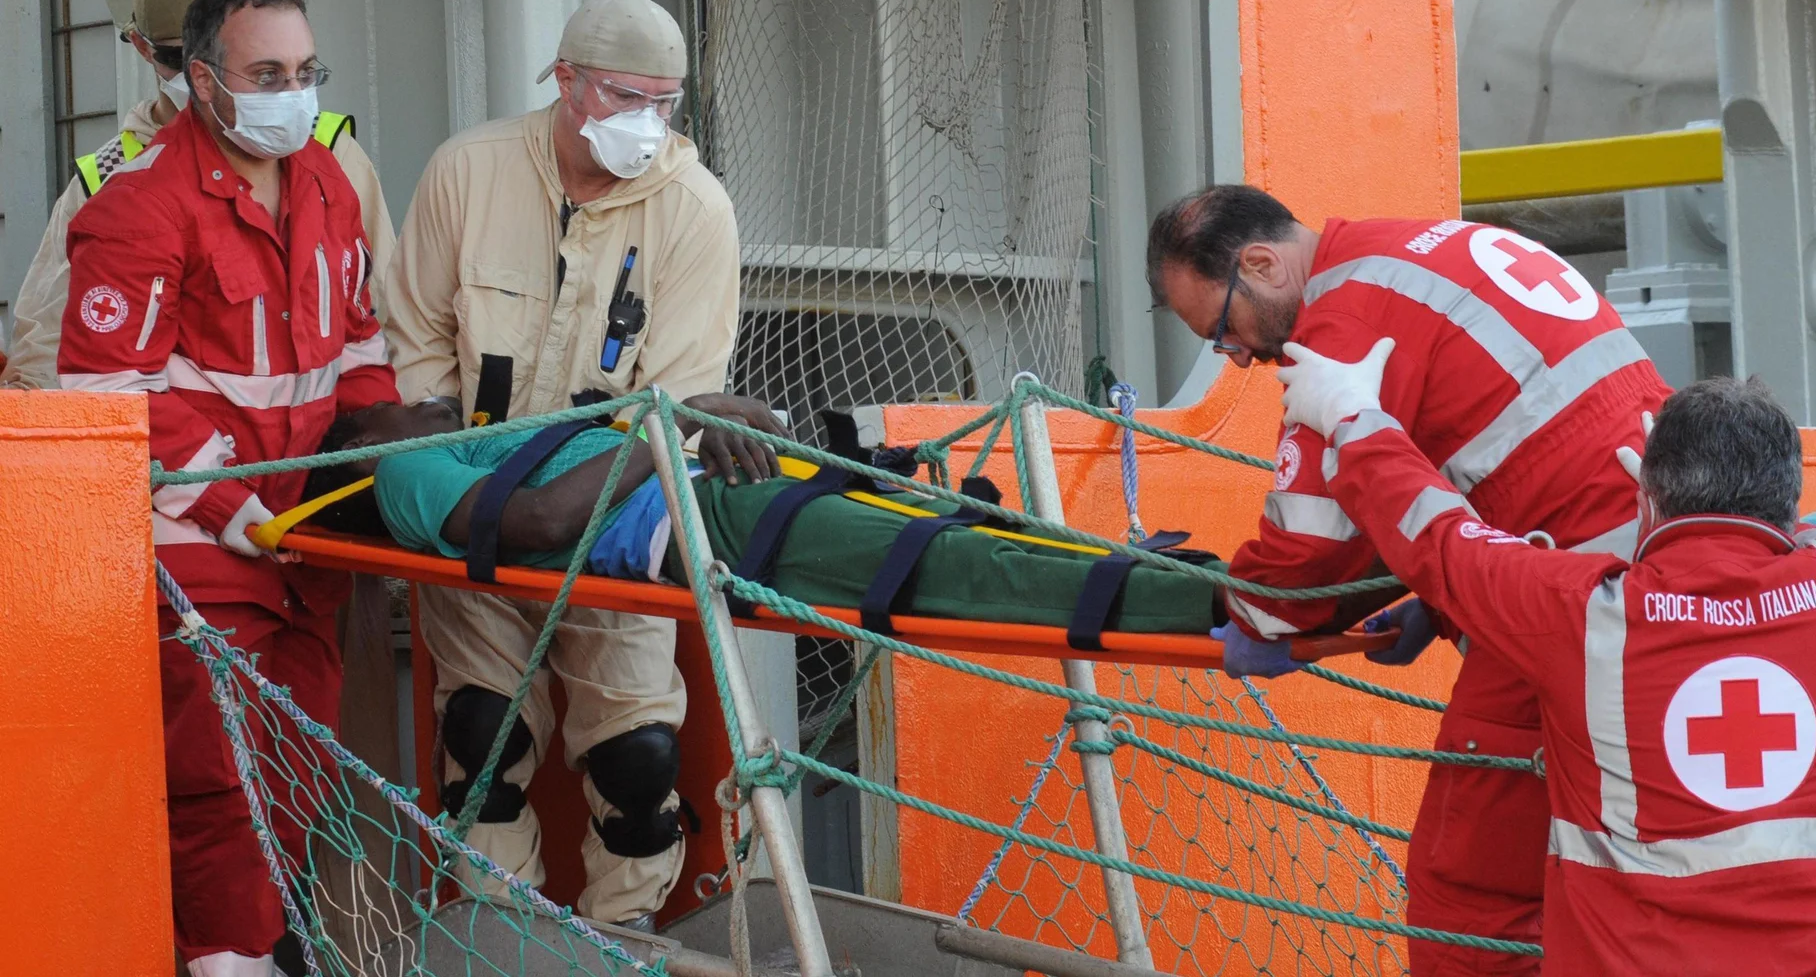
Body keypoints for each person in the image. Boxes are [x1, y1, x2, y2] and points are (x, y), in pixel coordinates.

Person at [1146, 184, 1672, 972]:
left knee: (1471, 893)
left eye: (1224, 329)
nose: (1240, 357)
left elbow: (1306, 554)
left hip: (1571, 606)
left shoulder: (1341, 328)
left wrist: (1252, 614)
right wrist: (1438, 592)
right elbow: (1516, 438)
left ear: (1262, 263)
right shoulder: (1421, 248)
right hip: (1658, 572)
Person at [1275, 349, 1816, 974]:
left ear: (1648, 496)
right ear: (1788, 500)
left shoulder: (1581, 613)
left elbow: (1442, 541)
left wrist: (1350, 414)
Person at [377, 0, 743, 930]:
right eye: (626, 97)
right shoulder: (469, 171)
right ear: (566, 80)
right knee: (479, 740)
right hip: (474, 509)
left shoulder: (697, 212)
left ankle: (620, 939)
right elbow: (414, 334)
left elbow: (681, 395)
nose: (647, 124)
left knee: (640, 760)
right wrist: (453, 460)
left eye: (666, 103)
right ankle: (508, 938)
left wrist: (569, 500)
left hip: (613, 508)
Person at [55, 0, 399, 977]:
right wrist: (231, 504)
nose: (291, 94)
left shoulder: (327, 184)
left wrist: (372, 445)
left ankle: (248, 944)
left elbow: (360, 342)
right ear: (202, 80)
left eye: (305, 72)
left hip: (308, 541)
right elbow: (106, 394)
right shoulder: (140, 204)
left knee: (295, 770)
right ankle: (224, 960)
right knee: (219, 779)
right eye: (266, 74)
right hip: (199, 548)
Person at [298, 396, 1225, 633]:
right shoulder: (400, 468)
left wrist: (703, 419)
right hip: (710, 521)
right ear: (361, 439)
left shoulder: (476, 440)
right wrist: (673, 429)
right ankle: (1213, 603)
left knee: (967, 534)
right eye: (392, 404)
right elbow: (538, 524)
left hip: (735, 487)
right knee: (952, 566)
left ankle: (1190, 580)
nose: (420, 400)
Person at [2, 0, 394, 391]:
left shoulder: (325, 150)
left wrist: (378, 426)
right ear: (142, 46)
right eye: (178, 55)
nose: (196, 75)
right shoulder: (107, 179)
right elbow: (47, 348)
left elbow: (380, 304)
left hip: (324, 441)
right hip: (194, 450)